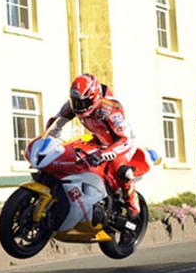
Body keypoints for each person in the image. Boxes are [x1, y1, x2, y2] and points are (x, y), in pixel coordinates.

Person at [47, 74, 140, 217]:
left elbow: (125, 139)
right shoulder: (74, 103)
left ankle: (132, 204)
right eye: (76, 102)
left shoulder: (110, 109)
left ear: (95, 97)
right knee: (71, 154)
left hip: (120, 142)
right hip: (98, 139)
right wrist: (48, 136)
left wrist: (107, 153)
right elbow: (57, 121)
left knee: (122, 170)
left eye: (84, 103)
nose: (80, 107)